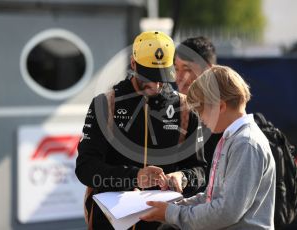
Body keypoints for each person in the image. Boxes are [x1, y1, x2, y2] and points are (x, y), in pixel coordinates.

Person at [75, 31, 207, 229]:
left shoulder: (185, 108)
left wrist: (184, 178)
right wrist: (134, 177)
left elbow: (202, 171)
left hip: (165, 224)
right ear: (133, 63)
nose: (156, 84)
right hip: (111, 223)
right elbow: (85, 168)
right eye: (149, 76)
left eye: (162, 76)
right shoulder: (105, 104)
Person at [140, 65, 276, 230]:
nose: (201, 119)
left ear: (220, 106)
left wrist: (172, 213)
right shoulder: (231, 138)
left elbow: (227, 212)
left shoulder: (245, 143)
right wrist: (171, 206)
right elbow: (210, 197)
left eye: (201, 110)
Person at [174, 37, 220, 187]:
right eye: (176, 68)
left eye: (187, 69)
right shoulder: (171, 116)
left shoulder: (225, 121)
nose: (179, 77)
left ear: (208, 70)